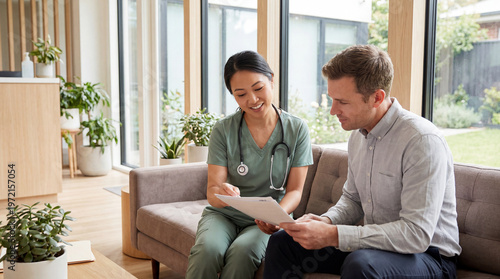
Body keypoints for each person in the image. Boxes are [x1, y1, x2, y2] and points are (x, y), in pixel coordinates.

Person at [264, 44, 462, 279]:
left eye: (343, 102)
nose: (333, 110)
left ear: (376, 98)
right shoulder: (358, 137)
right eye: (332, 100)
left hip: (430, 257)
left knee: (361, 265)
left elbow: (416, 234)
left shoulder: (422, 141)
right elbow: (353, 199)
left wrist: (333, 235)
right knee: (283, 242)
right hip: (376, 247)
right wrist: (326, 221)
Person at [185, 50, 313, 279]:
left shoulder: (297, 129)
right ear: (232, 95)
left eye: (258, 88)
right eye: (241, 94)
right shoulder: (223, 130)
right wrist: (222, 191)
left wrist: (277, 216)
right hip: (224, 214)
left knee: (242, 253)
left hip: (267, 219)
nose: (252, 100)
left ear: (272, 80)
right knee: (207, 250)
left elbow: (295, 190)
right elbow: (213, 192)